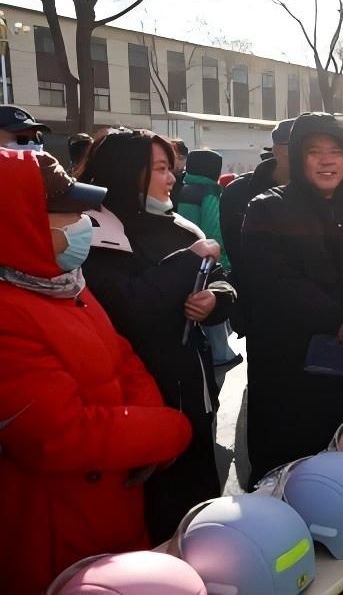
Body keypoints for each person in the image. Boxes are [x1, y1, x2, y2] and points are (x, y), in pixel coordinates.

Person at [0, 148, 191, 593]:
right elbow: (57, 434)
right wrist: (168, 431)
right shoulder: (9, 311)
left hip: (113, 508)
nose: (83, 223)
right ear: (19, 222)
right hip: (55, 532)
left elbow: (122, 358)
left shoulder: (60, 284)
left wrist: (148, 430)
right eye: (69, 214)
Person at [78, 129, 235, 544]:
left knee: (196, 504)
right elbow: (130, 307)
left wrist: (215, 299)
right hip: (130, 396)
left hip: (191, 387)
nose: (172, 178)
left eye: (171, 168)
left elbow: (222, 283)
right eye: (161, 169)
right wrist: (188, 262)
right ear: (126, 172)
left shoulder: (180, 227)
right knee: (150, 512)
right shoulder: (90, 232)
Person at [241, 112, 343, 489]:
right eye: (314, 152)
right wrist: (338, 320)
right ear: (298, 159)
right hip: (292, 375)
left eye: (335, 151)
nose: (326, 160)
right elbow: (273, 281)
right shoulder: (267, 208)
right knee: (292, 479)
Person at [219, 118, 294, 335]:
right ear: (276, 149)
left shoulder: (324, 192)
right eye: (292, 147)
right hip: (259, 311)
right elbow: (237, 253)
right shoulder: (239, 191)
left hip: (316, 313)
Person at [178, 148, 240, 367]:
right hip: (206, 257)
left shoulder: (182, 187)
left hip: (183, 254)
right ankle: (222, 355)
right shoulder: (209, 190)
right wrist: (223, 262)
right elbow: (213, 228)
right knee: (212, 303)